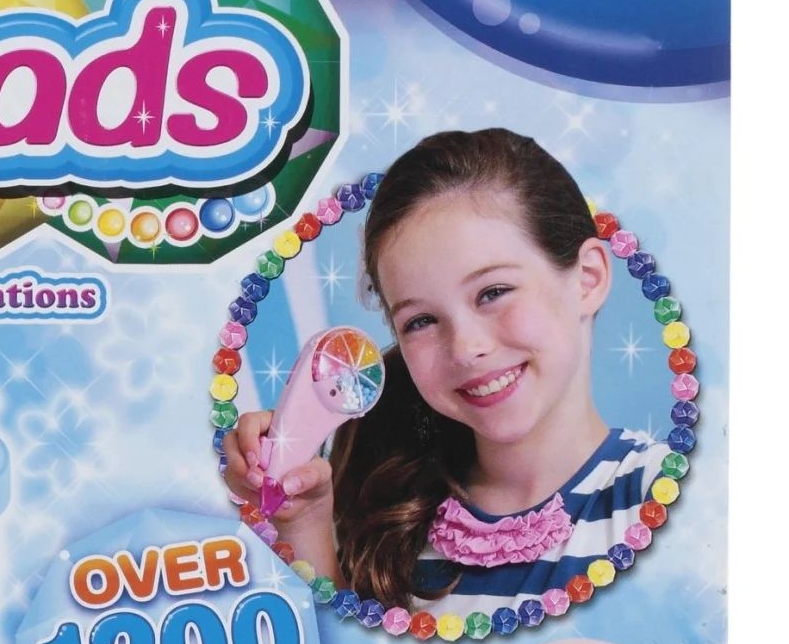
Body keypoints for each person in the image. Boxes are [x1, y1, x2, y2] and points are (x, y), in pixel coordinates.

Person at [226, 128, 657, 610]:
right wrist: (302, 524)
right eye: (421, 321)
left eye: (493, 292)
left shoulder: (661, 498)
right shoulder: (395, 527)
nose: (466, 348)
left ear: (588, 279)